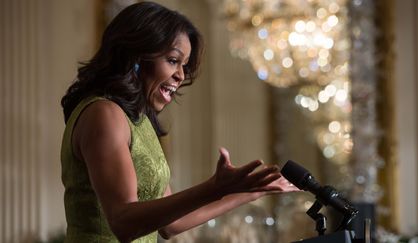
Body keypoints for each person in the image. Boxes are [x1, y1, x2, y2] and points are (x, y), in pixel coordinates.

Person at [60, 1, 298, 242]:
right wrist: (214, 187)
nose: (181, 75)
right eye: (173, 60)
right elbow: (123, 222)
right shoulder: (103, 113)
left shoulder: (139, 122)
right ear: (136, 55)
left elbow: (172, 224)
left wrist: (247, 191)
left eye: (184, 65)